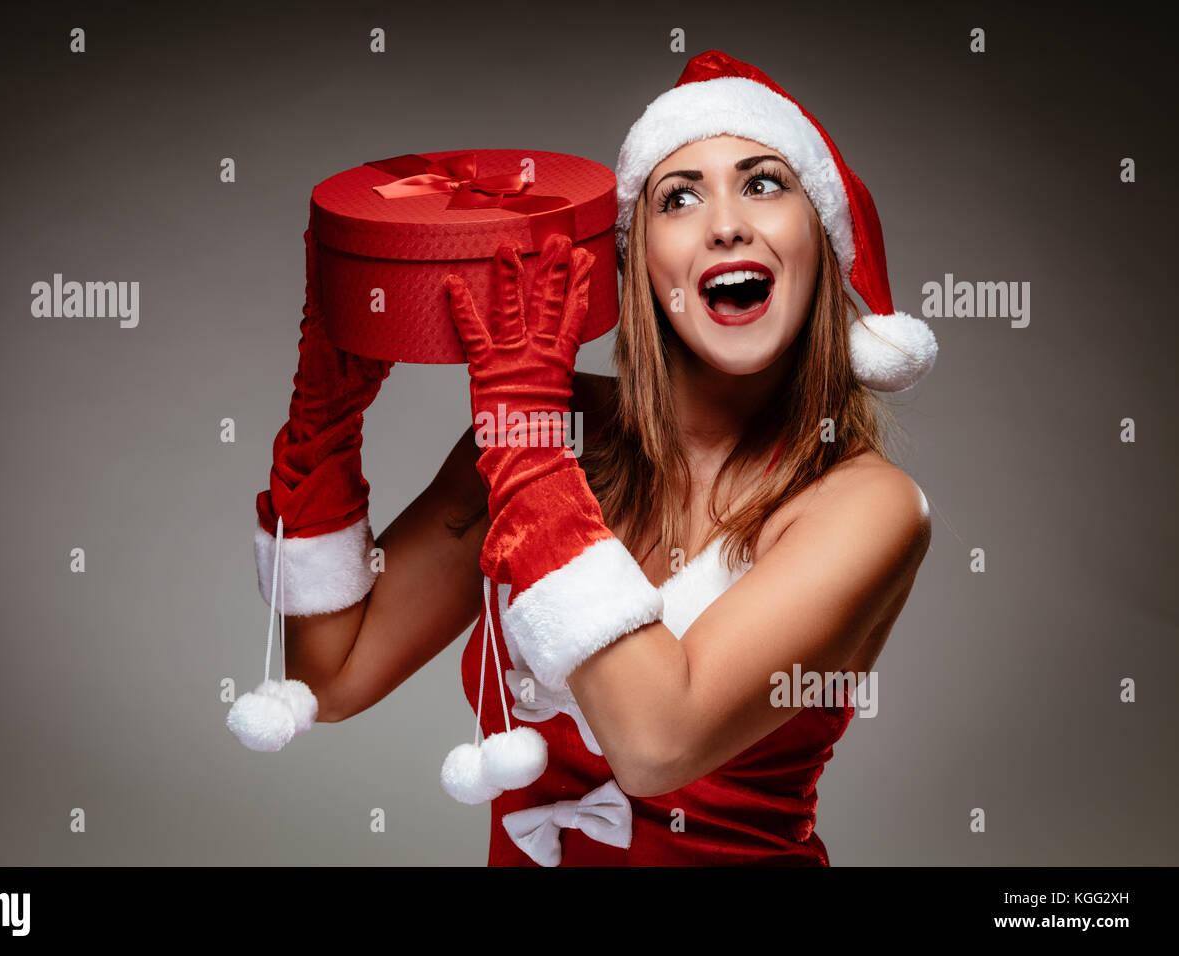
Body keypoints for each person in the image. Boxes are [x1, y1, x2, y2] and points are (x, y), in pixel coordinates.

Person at [228, 50, 938, 866]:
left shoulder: (868, 507)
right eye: (679, 197)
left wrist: (526, 435)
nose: (726, 222)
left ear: (819, 241)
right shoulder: (554, 430)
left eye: (765, 183)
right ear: (638, 264)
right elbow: (331, 677)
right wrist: (324, 418)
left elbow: (656, 742)